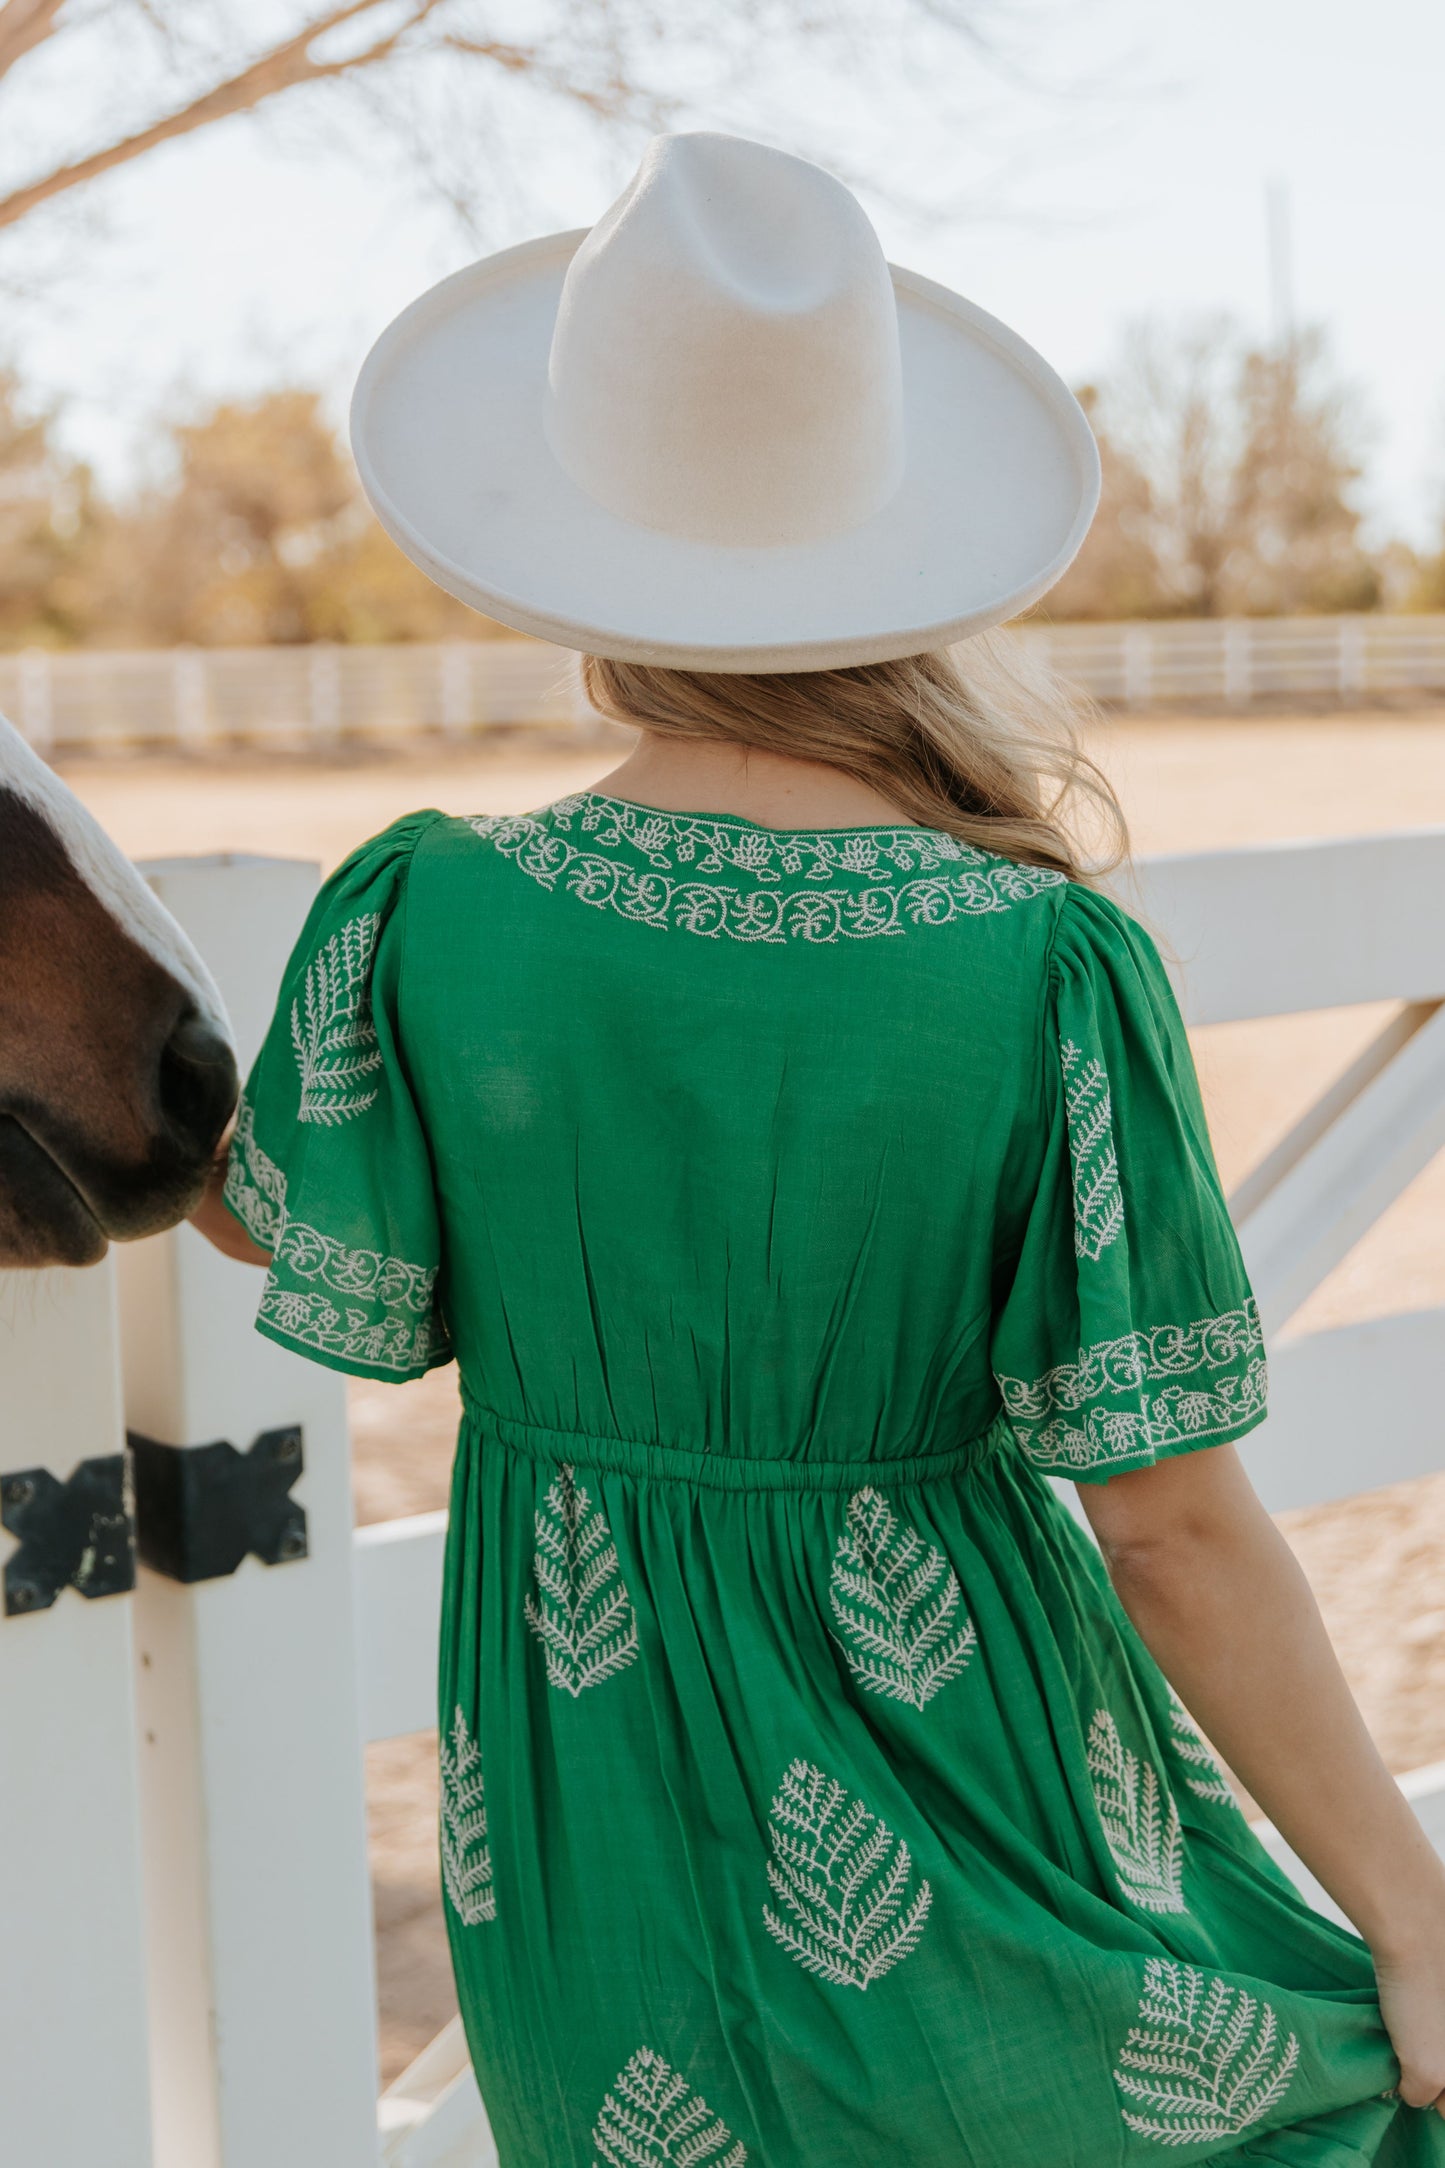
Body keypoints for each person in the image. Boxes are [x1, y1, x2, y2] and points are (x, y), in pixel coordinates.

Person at [191, 132, 1445, 2165]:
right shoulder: (1041, 961)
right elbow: (1171, 1527)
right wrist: (1415, 1913)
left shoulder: (430, 920)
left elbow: (286, 1236)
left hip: (572, 1838)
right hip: (966, 1794)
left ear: (575, 542)